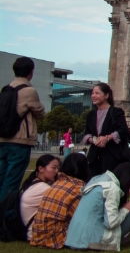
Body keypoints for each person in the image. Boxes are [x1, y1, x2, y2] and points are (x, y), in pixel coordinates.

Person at [0, 57, 46, 200]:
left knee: (2, 179)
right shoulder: (29, 91)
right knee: (11, 183)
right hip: (19, 141)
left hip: (3, 140)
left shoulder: (6, 89)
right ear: (31, 72)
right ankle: (5, 216)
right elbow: (41, 113)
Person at [30, 154, 90, 248]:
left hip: (37, 236)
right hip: (56, 239)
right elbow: (81, 218)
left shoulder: (57, 183)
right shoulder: (77, 188)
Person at [80, 83, 130, 178]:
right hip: (94, 155)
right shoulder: (91, 114)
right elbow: (87, 133)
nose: (93, 96)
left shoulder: (116, 112)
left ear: (106, 95)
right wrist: (93, 140)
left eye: (97, 93)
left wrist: (107, 138)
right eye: (92, 93)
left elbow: (123, 130)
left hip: (112, 154)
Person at [18, 154, 61, 241]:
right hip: (36, 234)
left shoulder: (33, 182)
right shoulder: (43, 188)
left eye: (58, 168)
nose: (57, 171)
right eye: (53, 168)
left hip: (30, 230)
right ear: (41, 169)